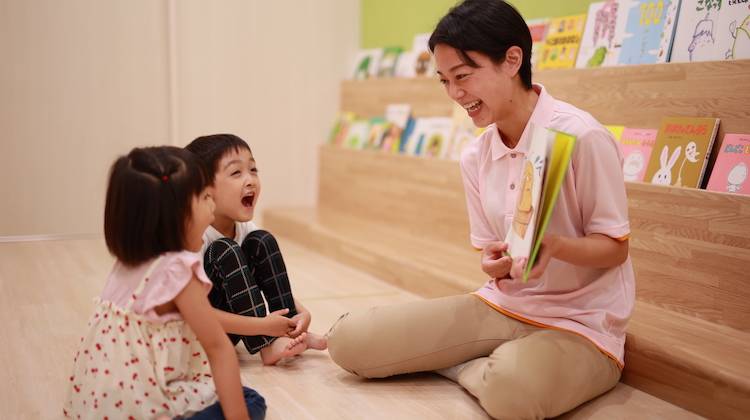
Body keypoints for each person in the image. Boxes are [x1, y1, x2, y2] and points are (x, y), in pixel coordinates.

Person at [326, 1, 635, 418]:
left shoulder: (582, 137)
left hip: (582, 325)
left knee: (512, 391)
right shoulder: (476, 154)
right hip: (501, 306)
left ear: (512, 60)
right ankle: (481, 366)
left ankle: (467, 366)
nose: (456, 94)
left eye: (463, 76)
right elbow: (492, 251)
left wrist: (556, 246)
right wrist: (495, 263)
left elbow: (615, 248)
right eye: (445, 81)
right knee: (348, 340)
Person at [63, 146, 266, 419]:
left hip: (99, 408)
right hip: (149, 409)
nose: (213, 206)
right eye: (206, 197)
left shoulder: (126, 265)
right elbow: (220, 350)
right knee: (250, 399)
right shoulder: (177, 272)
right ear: (178, 213)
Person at [186, 134, 327, 366]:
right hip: (201, 337)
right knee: (224, 250)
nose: (250, 180)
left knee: (262, 240)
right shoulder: (194, 237)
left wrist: (302, 313)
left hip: (235, 331)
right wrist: (263, 327)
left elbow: (265, 279)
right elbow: (196, 313)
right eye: (236, 173)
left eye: (253, 170)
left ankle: (291, 330)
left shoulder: (244, 228)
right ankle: (268, 344)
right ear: (205, 189)